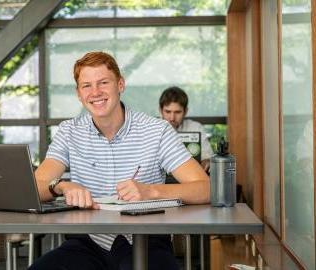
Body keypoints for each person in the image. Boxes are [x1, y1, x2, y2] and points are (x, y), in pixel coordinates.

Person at [29, 52, 209, 270]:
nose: (95, 92)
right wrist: (61, 187)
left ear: (120, 84)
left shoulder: (157, 130)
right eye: (86, 85)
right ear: (78, 93)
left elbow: (205, 188)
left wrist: (151, 192)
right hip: (89, 243)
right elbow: (34, 188)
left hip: (146, 242)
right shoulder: (69, 132)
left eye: (103, 82)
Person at [159, 86, 214, 172]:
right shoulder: (151, 129)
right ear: (160, 110)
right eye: (168, 112)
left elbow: (207, 158)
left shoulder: (195, 127)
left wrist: (206, 162)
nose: (172, 118)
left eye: (177, 112)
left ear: (185, 112)